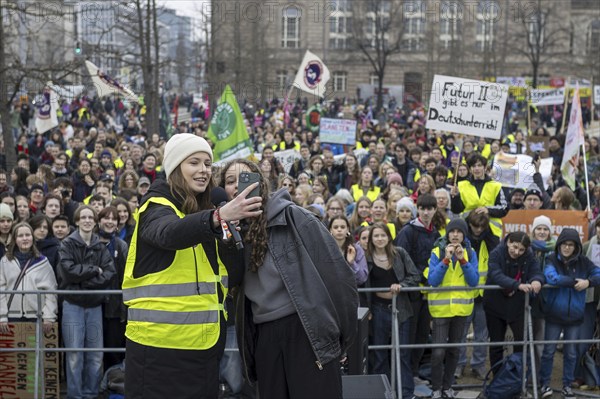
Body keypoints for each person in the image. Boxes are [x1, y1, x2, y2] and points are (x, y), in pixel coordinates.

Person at [122, 134, 262, 399]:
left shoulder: (206, 211)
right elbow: (168, 233)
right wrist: (216, 218)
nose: (204, 171)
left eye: (208, 164)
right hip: (158, 354)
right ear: (176, 167)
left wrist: (230, 234)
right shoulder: (156, 205)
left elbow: (231, 276)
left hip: (204, 352)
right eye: (194, 163)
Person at [231, 159, 359, 399]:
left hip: (306, 329)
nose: (238, 187)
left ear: (261, 185)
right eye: (229, 182)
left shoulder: (293, 217)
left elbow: (338, 277)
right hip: (264, 336)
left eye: (245, 179)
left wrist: (343, 337)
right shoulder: (229, 233)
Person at [57, 205, 117, 399]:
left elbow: (109, 273)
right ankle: (75, 396)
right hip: (72, 305)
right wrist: (93, 270)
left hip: (94, 306)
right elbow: (68, 272)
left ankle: (91, 394)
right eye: (83, 217)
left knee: (95, 355)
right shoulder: (67, 244)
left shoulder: (100, 246)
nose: (87, 220)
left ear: (95, 221)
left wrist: (83, 278)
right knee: (75, 355)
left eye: (90, 217)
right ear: (77, 221)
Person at [539, 228, 600, 399]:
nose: (567, 248)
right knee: (549, 351)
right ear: (559, 245)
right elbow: (551, 277)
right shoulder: (551, 258)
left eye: (571, 245)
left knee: (571, 353)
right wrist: (575, 282)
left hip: (575, 316)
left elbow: (598, 274)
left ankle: (567, 385)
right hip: (554, 314)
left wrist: (588, 282)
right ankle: (544, 384)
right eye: (564, 244)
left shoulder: (584, 262)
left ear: (576, 247)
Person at [425, 218, 479, 399]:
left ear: (464, 235)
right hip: (441, 311)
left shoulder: (470, 253)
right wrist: (446, 260)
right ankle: (436, 388)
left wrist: (463, 260)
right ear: (447, 234)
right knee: (439, 351)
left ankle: (448, 386)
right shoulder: (437, 251)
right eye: (452, 231)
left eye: (459, 232)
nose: (455, 235)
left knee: (455, 350)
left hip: (461, 310)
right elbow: (433, 280)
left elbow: (474, 281)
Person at [365, 222, 420, 399]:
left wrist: (401, 285)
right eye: (376, 236)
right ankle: (383, 393)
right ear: (371, 239)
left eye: (383, 235)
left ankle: (406, 393)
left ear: (389, 236)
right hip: (378, 309)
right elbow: (359, 280)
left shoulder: (400, 253)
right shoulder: (366, 257)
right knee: (379, 353)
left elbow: (415, 276)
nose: (380, 239)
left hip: (401, 309)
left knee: (402, 352)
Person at [483, 231, 544, 370]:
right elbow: (495, 274)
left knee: (521, 343)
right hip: (495, 304)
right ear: (508, 242)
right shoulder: (496, 253)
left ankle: (516, 379)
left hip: (517, 305)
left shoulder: (529, 255)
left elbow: (536, 271)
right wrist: (517, 285)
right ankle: (497, 379)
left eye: (521, 249)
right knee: (496, 344)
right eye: (514, 247)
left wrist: (537, 281)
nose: (517, 252)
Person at [394, 194, 439, 380]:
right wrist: (419, 277)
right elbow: (401, 260)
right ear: (417, 209)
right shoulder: (408, 231)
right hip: (410, 292)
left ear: (435, 210)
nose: (426, 212)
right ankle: (403, 380)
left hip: (427, 292)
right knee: (408, 338)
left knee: (421, 336)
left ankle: (412, 375)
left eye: (430, 209)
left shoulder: (436, 233)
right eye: (422, 208)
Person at [0, 222, 57, 334]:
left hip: (37, 316)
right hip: (11, 316)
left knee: (34, 350)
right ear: (15, 239)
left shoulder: (43, 262)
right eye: (20, 236)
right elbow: (1, 289)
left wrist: (49, 316)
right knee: (14, 351)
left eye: (28, 235)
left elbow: (51, 291)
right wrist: (2, 316)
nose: (25, 238)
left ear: (32, 237)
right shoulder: (5, 261)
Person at [451, 154, 508, 238]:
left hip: (491, 231)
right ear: (470, 169)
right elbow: (456, 210)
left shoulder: (496, 186)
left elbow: (504, 208)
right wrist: (455, 197)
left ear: (485, 168)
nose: (477, 168)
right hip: (468, 229)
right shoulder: (461, 185)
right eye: (474, 166)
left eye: (479, 165)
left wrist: (487, 210)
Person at [329, 215, 368, 286]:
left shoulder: (357, 249)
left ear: (347, 229)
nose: (339, 230)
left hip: (351, 292)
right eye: (335, 227)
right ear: (330, 230)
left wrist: (352, 263)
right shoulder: (324, 248)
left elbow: (362, 279)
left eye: (343, 227)